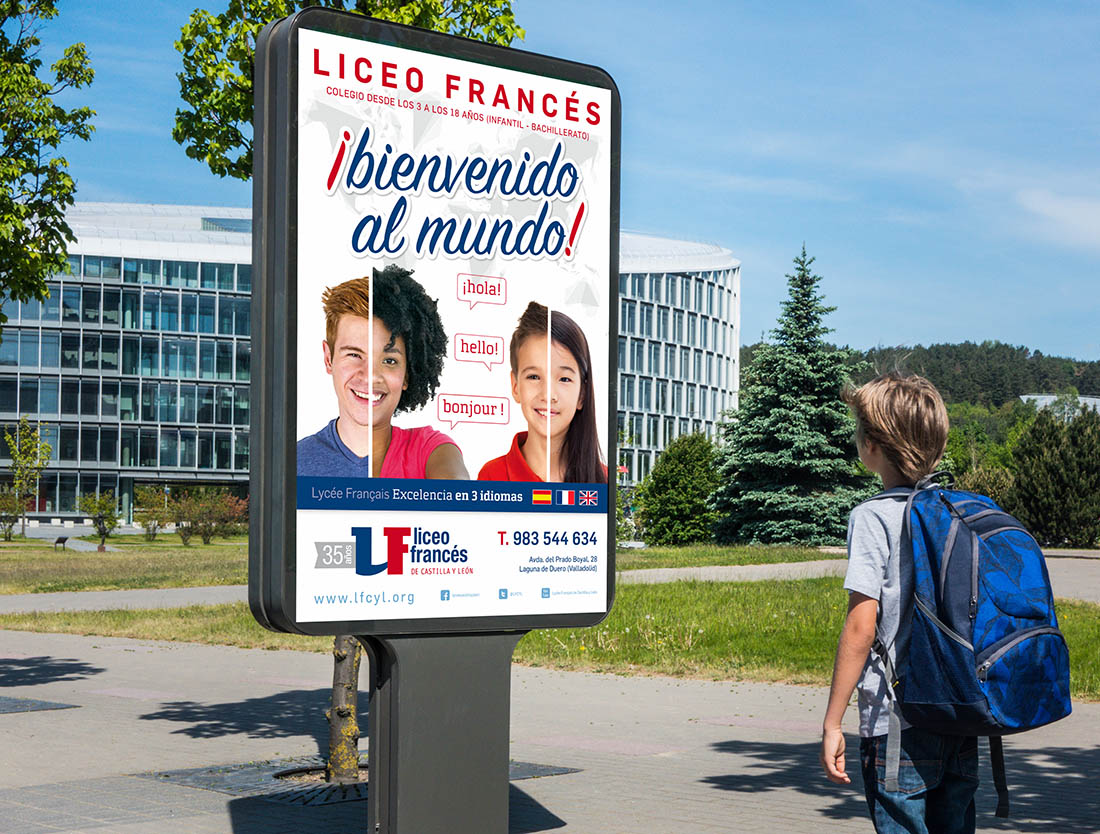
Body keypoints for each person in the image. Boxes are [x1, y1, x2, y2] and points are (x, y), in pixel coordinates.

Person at [820, 371, 977, 834]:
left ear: (872, 445)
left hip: (898, 723)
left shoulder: (872, 517)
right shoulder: (957, 512)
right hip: (960, 716)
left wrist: (833, 722)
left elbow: (860, 627)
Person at [297, 266, 468, 479]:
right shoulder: (296, 462)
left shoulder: (430, 451)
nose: (370, 376)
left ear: (407, 373)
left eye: (389, 360)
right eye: (354, 355)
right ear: (328, 358)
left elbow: (457, 500)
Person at [478, 301, 606, 483]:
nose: (548, 395)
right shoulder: (492, 477)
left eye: (564, 379)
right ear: (515, 386)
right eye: (534, 377)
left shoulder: (605, 481)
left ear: (582, 395)